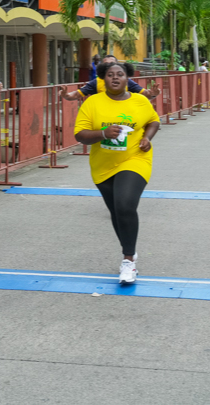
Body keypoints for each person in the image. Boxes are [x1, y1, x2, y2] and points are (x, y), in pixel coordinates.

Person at [74, 61, 160, 284]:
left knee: (124, 205)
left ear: (127, 79)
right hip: (103, 165)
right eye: (110, 75)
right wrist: (103, 133)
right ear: (103, 79)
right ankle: (129, 248)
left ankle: (128, 261)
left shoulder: (140, 101)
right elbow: (80, 135)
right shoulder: (92, 102)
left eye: (119, 74)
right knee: (116, 211)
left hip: (135, 159)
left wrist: (146, 138)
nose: (115, 78)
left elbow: (153, 121)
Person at [64, 54, 156, 101]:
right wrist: (66, 95)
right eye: (106, 64)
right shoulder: (96, 82)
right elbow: (76, 95)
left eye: (112, 64)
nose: (109, 66)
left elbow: (147, 95)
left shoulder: (126, 81)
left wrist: (153, 93)